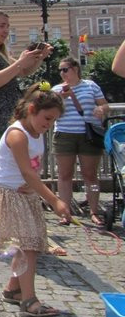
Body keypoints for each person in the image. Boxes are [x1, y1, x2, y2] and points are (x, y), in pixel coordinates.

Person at [0, 83, 70, 317]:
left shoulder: (36, 132)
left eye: (54, 120)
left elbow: (33, 167)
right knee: (28, 247)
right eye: (47, 118)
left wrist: (34, 187)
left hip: (24, 194)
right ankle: (29, 300)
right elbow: (27, 171)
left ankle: (14, 288)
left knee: (28, 243)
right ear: (32, 109)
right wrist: (54, 200)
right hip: (8, 194)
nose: (49, 124)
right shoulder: (17, 135)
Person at [0, 9, 46, 172]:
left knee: (10, 164)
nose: (6, 30)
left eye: (7, 26)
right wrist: (20, 63)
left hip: (6, 115)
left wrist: (38, 58)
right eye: (1, 26)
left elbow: (23, 71)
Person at [51, 56, 109, 226]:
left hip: (88, 135)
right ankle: (65, 212)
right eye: (60, 70)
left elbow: (105, 105)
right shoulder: (57, 89)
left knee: (90, 175)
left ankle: (94, 211)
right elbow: (50, 112)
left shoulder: (91, 86)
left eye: (65, 69)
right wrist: (60, 99)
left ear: (75, 69)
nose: (62, 73)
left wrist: (101, 109)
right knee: (64, 175)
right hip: (64, 134)